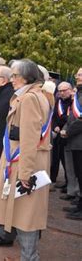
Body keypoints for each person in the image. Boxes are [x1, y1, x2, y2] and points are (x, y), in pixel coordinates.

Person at [0, 59, 51, 260]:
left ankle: (29, 258)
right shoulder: (33, 96)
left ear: (25, 77)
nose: (12, 79)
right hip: (22, 161)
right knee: (22, 215)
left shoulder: (30, 98)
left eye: (14, 75)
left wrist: (25, 174)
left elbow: (30, 139)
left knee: (25, 217)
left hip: (24, 163)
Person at [61, 67, 82, 220]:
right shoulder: (79, 93)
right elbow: (72, 117)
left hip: (79, 140)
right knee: (79, 175)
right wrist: (66, 128)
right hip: (75, 141)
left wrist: (68, 131)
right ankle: (80, 204)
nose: (77, 76)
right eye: (78, 74)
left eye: (81, 74)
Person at [50, 82, 73, 191]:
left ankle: (69, 183)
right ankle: (52, 179)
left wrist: (61, 126)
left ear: (70, 89)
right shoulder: (57, 101)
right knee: (55, 157)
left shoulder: (73, 102)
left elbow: (69, 118)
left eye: (64, 90)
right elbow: (53, 116)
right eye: (60, 91)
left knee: (66, 160)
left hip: (67, 134)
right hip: (57, 133)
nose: (62, 93)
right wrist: (55, 126)